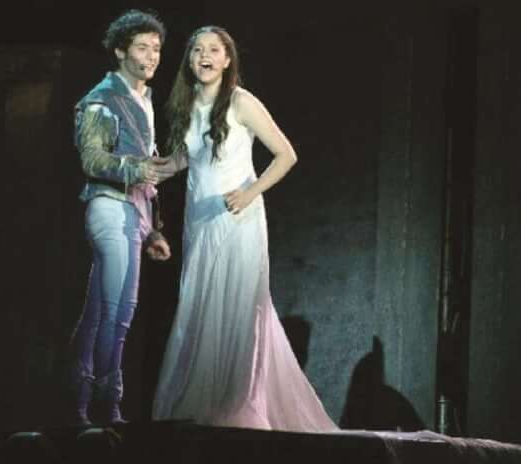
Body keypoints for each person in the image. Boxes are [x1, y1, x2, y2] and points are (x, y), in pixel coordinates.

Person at [151, 26, 338, 432]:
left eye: (213, 50)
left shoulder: (241, 101)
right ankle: (200, 400)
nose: (204, 56)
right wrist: (144, 168)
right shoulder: (188, 104)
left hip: (237, 219)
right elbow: (183, 160)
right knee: (200, 307)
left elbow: (286, 154)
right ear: (188, 59)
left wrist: (251, 192)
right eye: (197, 50)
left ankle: (238, 401)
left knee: (237, 307)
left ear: (227, 59)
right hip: (199, 222)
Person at [69, 9, 173, 426]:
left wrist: (154, 232)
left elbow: (149, 172)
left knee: (99, 311)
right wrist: (137, 168)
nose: (151, 56)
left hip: (134, 213)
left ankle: (80, 403)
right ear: (120, 51)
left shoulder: (143, 100)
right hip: (109, 207)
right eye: (142, 48)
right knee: (119, 310)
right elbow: (92, 159)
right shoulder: (102, 99)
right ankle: (106, 405)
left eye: (156, 49)